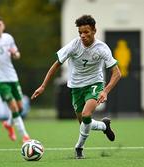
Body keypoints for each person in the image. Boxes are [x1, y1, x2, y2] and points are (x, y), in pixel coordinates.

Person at [31, 15, 121, 159]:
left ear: (94, 31)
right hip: (76, 87)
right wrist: (42, 86)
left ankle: (79, 148)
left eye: (86, 32)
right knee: (84, 122)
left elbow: (117, 73)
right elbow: (55, 65)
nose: (83, 35)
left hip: (94, 84)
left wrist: (105, 91)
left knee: (86, 115)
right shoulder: (73, 46)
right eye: (80, 33)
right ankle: (104, 126)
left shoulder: (102, 48)